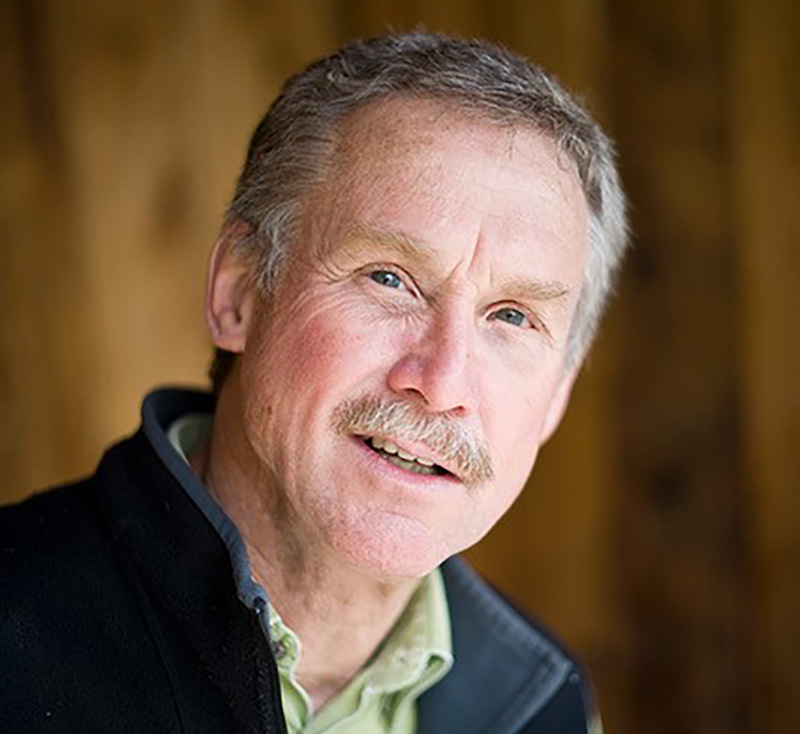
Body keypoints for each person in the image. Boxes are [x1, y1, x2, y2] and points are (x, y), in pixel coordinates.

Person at [0, 32, 628, 734]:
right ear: (239, 291)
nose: (443, 381)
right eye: (390, 279)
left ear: (559, 392)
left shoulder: (549, 706)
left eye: (511, 316)